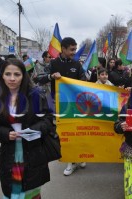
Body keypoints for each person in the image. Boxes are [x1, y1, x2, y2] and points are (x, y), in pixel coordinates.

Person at [0, 58, 52, 198]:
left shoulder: (36, 95)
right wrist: (6, 134)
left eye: (17, 74)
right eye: (8, 74)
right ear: (2, 75)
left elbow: (48, 119)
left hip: (33, 151)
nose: (12, 78)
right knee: (13, 191)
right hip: (9, 153)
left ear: (23, 75)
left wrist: (34, 130)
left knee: (32, 191)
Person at [47, 37, 87, 176]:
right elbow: (37, 78)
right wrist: (51, 77)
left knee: (78, 132)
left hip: (76, 105)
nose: (74, 52)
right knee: (66, 134)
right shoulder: (52, 64)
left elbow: (85, 81)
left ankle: (80, 156)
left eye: (75, 49)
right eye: (71, 49)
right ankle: (70, 162)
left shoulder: (77, 64)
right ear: (63, 49)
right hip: (59, 105)